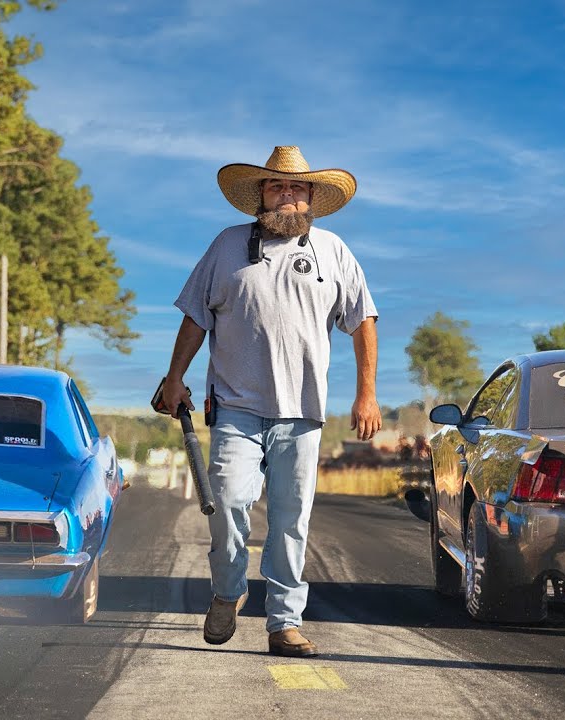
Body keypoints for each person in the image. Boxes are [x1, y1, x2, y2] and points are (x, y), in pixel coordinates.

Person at [159, 146, 380, 658]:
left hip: (302, 412)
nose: (287, 195)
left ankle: (284, 622)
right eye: (277, 187)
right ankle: (227, 591)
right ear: (260, 195)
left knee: (290, 518)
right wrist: (175, 378)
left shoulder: (333, 251)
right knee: (230, 501)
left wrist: (366, 393)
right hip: (235, 406)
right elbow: (196, 316)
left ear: (311, 199)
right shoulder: (226, 246)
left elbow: (363, 319)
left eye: (296, 188)